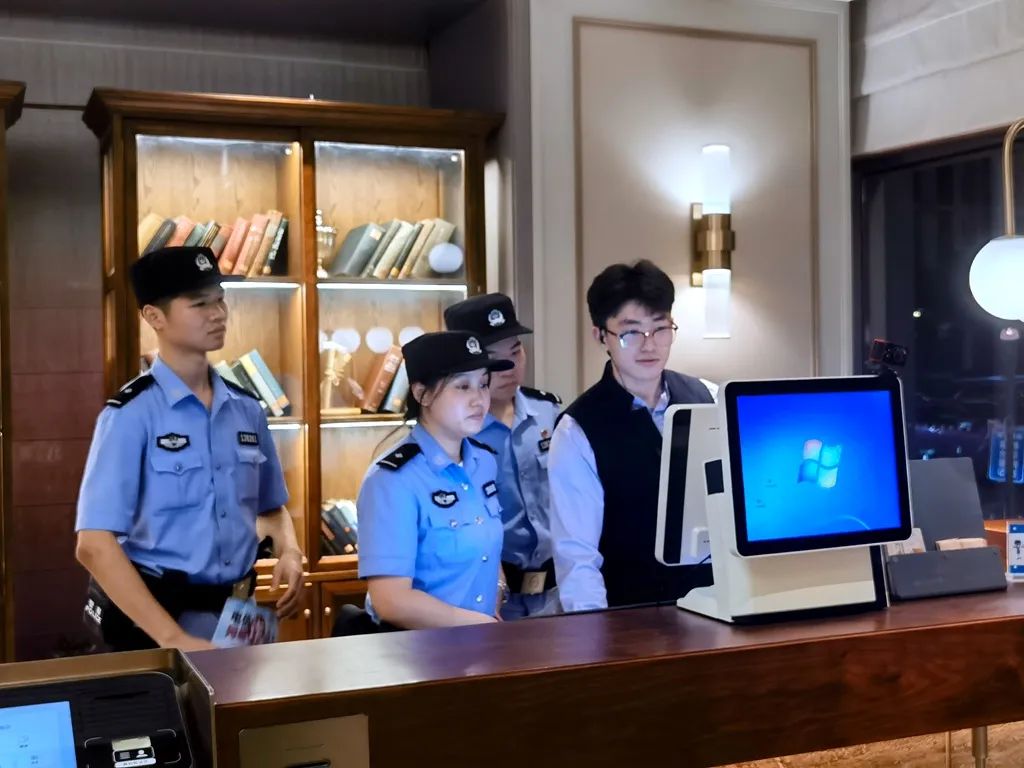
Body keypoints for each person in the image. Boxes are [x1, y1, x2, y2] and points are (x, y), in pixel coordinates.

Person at [75, 245, 305, 652]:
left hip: (238, 617)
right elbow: (94, 544)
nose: (218, 314)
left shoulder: (246, 409)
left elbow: (271, 507)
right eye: (200, 304)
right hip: (158, 626)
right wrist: (173, 638)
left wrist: (289, 549)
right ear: (154, 317)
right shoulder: (130, 414)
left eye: (220, 300)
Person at [549, 259, 714, 612]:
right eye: (631, 333)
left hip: (713, 605)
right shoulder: (578, 429)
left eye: (661, 329)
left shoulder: (707, 396)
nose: (649, 345)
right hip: (632, 614)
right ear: (601, 336)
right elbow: (577, 558)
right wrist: (595, 633)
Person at [357, 331, 514, 629]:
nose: (479, 399)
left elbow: (487, 551)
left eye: (483, 384)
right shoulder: (392, 479)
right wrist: (476, 623)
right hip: (418, 650)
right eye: (462, 386)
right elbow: (391, 601)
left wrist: (497, 591)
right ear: (422, 394)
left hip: (481, 642)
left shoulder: (484, 462)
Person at [444, 293, 562, 619]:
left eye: (516, 351)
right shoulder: (453, 432)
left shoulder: (549, 412)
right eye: (493, 357)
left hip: (554, 597)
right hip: (487, 600)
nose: (510, 367)